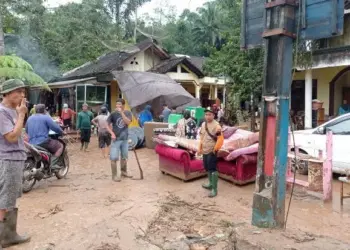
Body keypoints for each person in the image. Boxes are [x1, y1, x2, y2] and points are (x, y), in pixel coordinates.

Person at [0, 79, 31, 247]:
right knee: (6, 199)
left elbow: (17, 134)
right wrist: (21, 115)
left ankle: (7, 234)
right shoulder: (3, 112)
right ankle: (6, 236)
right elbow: (11, 137)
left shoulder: (12, 110)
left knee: (8, 197)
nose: (22, 95)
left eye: (23, 92)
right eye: (18, 91)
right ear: (6, 93)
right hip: (8, 159)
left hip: (14, 158)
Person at [198, 108, 224, 198]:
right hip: (205, 150)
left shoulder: (217, 126)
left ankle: (214, 188)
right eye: (206, 114)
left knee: (212, 169)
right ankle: (210, 183)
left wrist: (215, 149)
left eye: (210, 114)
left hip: (212, 151)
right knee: (207, 167)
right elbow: (202, 137)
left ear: (213, 115)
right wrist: (200, 148)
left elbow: (220, 139)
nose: (208, 116)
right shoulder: (203, 124)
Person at [107, 98, 133, 182]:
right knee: (113, 158)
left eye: (120, 104)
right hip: (116, 139)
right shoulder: (113, 114)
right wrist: (112, 133)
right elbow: (106, 125)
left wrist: (121, 112)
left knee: (124, 157)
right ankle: (114, 176)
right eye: (117, 104)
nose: (118, 106)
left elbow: (128, 122)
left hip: (125, 139)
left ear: (124, 105)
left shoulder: (128, 113)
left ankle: (124, 172)